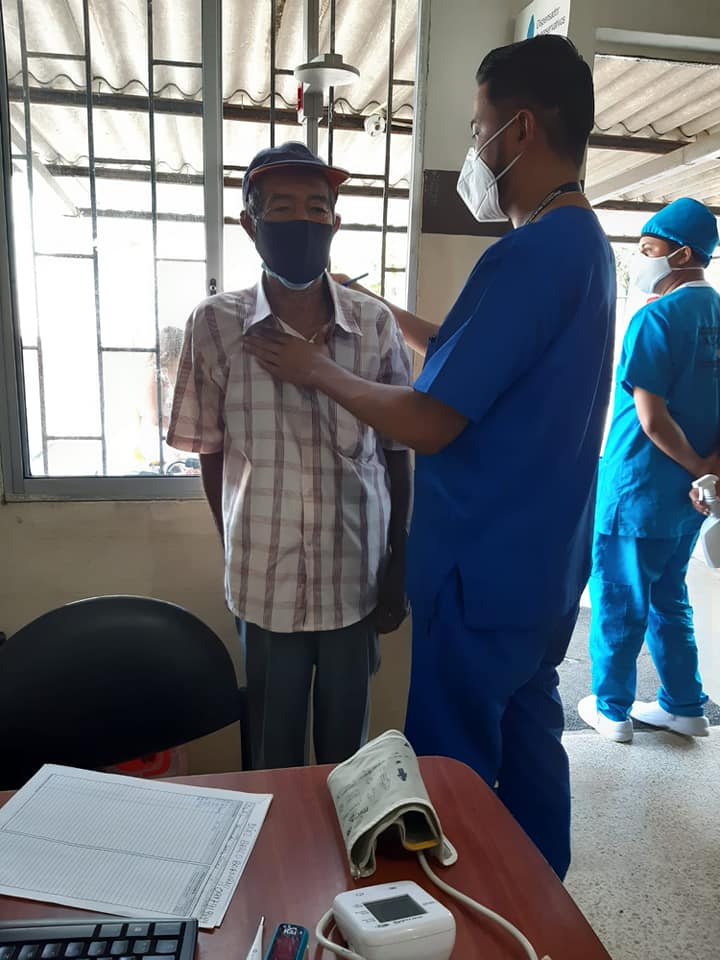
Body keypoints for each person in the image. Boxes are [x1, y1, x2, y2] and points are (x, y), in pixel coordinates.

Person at [244, 36, 615, 879]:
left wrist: (315, 369)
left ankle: (458, 912)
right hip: (543, 570)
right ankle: (541, 899)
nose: (474, 149)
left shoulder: (527, 254)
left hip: (480, 572)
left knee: (448, 767)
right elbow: (478, 355)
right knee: (531, 736)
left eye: (478, 128)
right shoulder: (585, 247)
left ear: (520, 129)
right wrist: (386, 313)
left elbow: (429, 423)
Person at [167, 142, 413, 770]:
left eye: (316, 208)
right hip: (264, 582)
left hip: (355, 579)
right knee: (271, 758)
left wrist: (398, 562)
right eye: (280, 208)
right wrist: (234, 545)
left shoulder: (374, 324)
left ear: (336, 221)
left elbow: (397, 449)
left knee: (347, 761)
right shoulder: (215, 325)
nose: (301, 222)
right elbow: (211, 452)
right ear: (250, 225)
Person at [578, 198, 720, 743]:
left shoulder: (656, 318)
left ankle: (612, 710)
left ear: (681, 254)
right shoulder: (716, 313)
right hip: (691, 495)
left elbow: (652, 419)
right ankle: (685, 706)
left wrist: (696, 464)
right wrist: (708, 470)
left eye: (647, 248)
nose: (640, 259)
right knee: (668, 597)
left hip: (638, 488)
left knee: (619, 598)